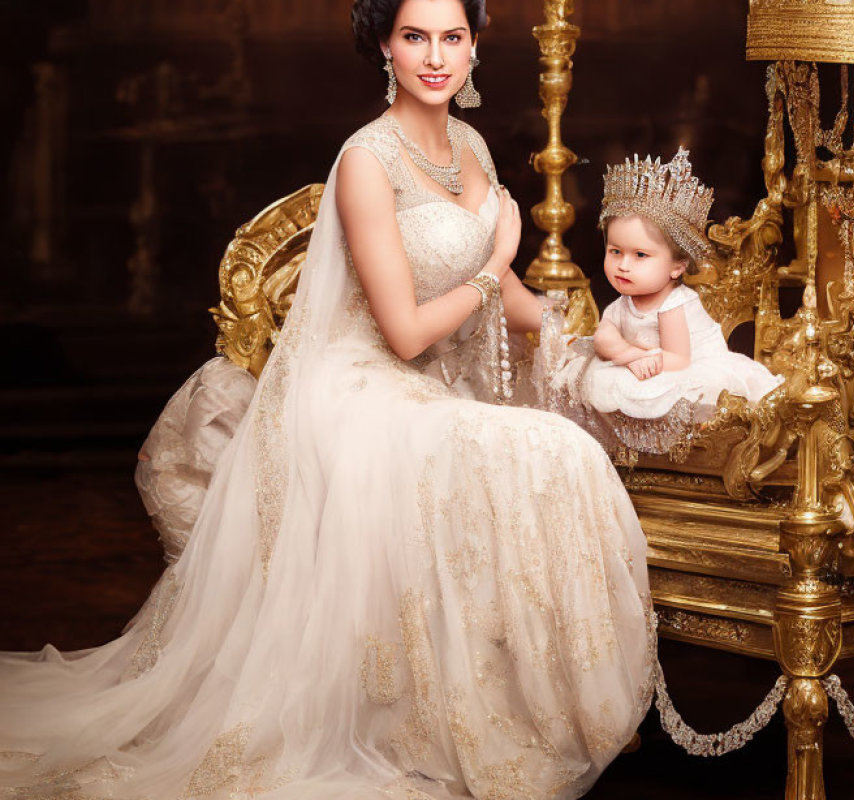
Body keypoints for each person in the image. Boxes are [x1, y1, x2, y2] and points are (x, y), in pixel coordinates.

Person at [0, 2, 658, 799]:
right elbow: (409, 330)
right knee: (553, 449)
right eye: (415, 36)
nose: (436, 56)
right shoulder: (365, 161)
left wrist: (582, 337)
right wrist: (498, 264)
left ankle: (526, 706)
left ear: (476, 45)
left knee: (561, 447)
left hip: (425, 393)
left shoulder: (472, 145)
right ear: (384, 44)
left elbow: (505, 291)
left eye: (453, 37)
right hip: (357, 392)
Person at [585, 151, 782, 420]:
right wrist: (630, 355)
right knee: (597, 379)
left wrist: (644, 360)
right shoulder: (624, 301)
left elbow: (678, 360)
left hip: (687, 367)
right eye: (615, 251)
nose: (623, 265)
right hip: (648, 364)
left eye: (640, 255)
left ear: (677, 267)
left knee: (659, 389)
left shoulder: (674, 303)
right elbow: (603, 338)